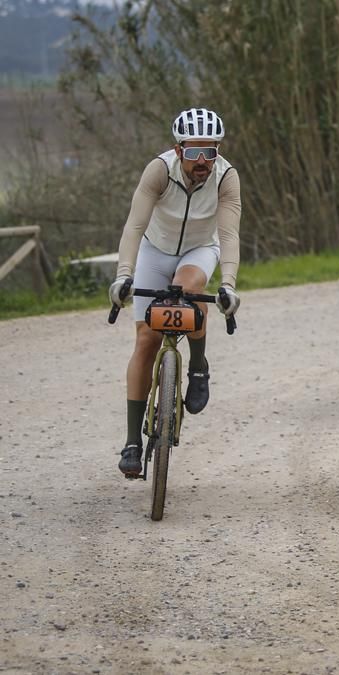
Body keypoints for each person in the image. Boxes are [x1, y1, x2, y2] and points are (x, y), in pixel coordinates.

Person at [108, 107, 242, 478]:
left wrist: (228, 284)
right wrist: (124, 275)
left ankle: (198, 367)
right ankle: (132, 441)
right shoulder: (158, 171)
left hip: (200, 248)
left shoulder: (226, 177)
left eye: (210, 152)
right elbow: (134, 226)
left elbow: (229, 235)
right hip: (155, 248)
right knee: (146, 340)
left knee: (188, 291)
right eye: (194, 152)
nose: (202, 161)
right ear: (178, 149)